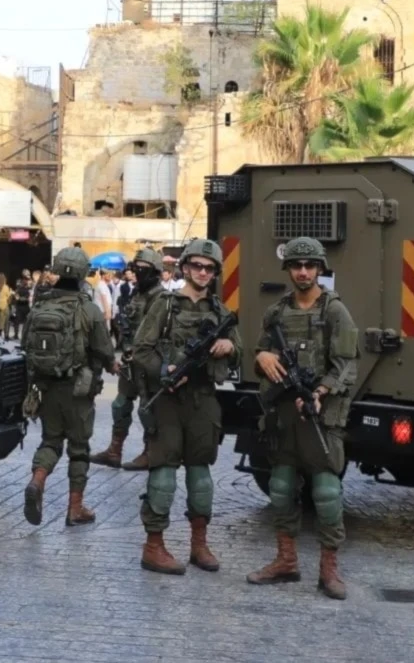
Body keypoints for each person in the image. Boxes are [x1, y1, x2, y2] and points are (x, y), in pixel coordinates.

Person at [244, 237, 359, 600]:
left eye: (310, 266)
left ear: (320, 269)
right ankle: (286, 560)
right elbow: (260, 352)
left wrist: (320, 392)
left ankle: (329, 569)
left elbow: (347, 364)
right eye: (297, 266)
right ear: (289, 270)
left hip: (320, 416)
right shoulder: (276, 313)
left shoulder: (335, 312)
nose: (304, 272)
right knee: (280, 489)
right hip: (283, 417)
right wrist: (262, 357)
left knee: (326, 492)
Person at [130, 238, 240, 575]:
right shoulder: (165, 305)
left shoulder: (220, 312)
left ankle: (199, 545)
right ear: (185, 268)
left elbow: (240, 351)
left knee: (200, 475)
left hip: (203, 399)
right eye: (196, 266)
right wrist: (165, 372)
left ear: (215, 273)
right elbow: (141, 349)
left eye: (209, 268)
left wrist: (229, 346)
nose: (202, 272)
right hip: (167, 400)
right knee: (163, 474)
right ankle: (154, 546)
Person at [21, 246, 116, 526]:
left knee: (51, 441)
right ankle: (75, 508)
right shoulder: (89, 310)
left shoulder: (39, 308)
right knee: (79, 447)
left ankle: (37, 481)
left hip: (45, 388)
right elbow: (105, 350)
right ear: (83, 274)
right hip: (78, 391)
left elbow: (25, 345)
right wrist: (113, 365)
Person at [91, 248, 165, 471]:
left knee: (147, 408)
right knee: (120, 404)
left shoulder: (161, 298)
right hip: (131, 359)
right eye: (135, 267)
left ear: (155, 272)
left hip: (149, 361)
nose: (137, 272)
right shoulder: (138, 294)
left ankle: (150, 452)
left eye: (143, 269)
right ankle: (114, 450)